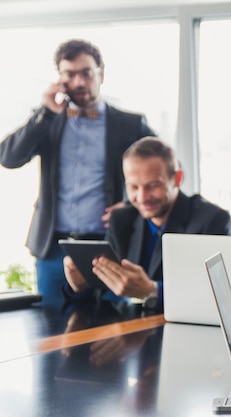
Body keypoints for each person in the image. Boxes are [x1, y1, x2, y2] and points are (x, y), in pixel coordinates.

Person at [0, 39, 155, 306]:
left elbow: (161, 173)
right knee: (52, 329)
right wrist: (46, 113)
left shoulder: (130, 124)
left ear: (101, 74)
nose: (79, 82)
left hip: (110, 247)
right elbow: (8, 157)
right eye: (70, 74)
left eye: (86, 72)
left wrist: (131, 204)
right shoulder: (48, 121)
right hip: (52, 248)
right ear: (60, 79)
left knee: (112, 333)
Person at [63, 137, 231, 310]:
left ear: (177, 179)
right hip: (130, 329)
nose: (142, 198)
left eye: (152, 186)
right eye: (133, 187)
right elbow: (105, 294)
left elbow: (213, 296)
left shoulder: (211, 220)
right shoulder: (121, 220)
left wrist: (152, 291)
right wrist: (80, 286)